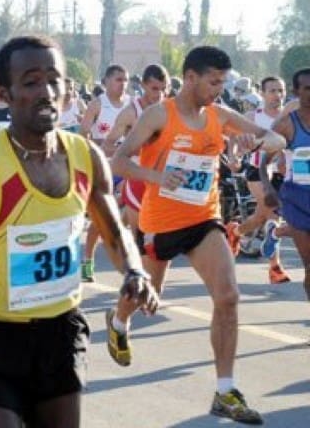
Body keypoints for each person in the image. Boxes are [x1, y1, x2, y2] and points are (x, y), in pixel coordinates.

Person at [0, 35, 158, 427]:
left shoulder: (86, 156)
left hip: (61, 331)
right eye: (32, 82)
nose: (47, 92)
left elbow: (114, 232)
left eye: (54, 80)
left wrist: (135, 270)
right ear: (5, 93)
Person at [109, 46, 283, 425]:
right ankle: (118, 322)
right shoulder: (159, 115)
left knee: (228, 296)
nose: (219, 89)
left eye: (223, 82)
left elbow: (274, 139)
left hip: (204, 219)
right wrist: (157, 177)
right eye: (213, 82)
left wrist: (256, 142)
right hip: (161, 222)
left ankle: (225, 391)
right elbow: (118, 161)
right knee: (147, 298)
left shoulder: (220, 115)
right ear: (190, 78)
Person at [93, 64, 169, 278]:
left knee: (161, 238)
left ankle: (117, 230)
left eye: (164, 89)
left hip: (162, 180)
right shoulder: (130, 113)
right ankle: (136, 279)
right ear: (143, 85)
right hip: (137, 178)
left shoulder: (169, 109)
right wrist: (131, 150)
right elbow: (108, 144)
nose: (159, 94)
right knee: (140, 238)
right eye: (154, 89)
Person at [261, 67, 310, 343]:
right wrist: (268, 188)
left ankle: (276, 232)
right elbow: (264, 164)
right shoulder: (286, 125)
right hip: (297, 199)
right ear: (296, 92)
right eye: (307, 88)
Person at [233, 76, 292, 283]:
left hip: (283, 173)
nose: (278, 95)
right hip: (257, 172)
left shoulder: (290, 117)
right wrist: (235, 157)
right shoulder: (253, 116)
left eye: (281, 91)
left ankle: (235, 232)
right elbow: (234, 136)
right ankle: (275, 267)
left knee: (260, 218)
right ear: (263, 93)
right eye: (273, 91)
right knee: (273, 213)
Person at [80, 65, 132, 281]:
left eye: (126, 80)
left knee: (130, 212)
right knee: (101, 218)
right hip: (103, 169)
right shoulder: (98, 104)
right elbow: (83, 134)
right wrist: (100, 148)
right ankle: (87, 258)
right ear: (106, 82)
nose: (123, 84)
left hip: (126, 167)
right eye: (118, 79)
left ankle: (132, 264)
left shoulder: (131, 104)